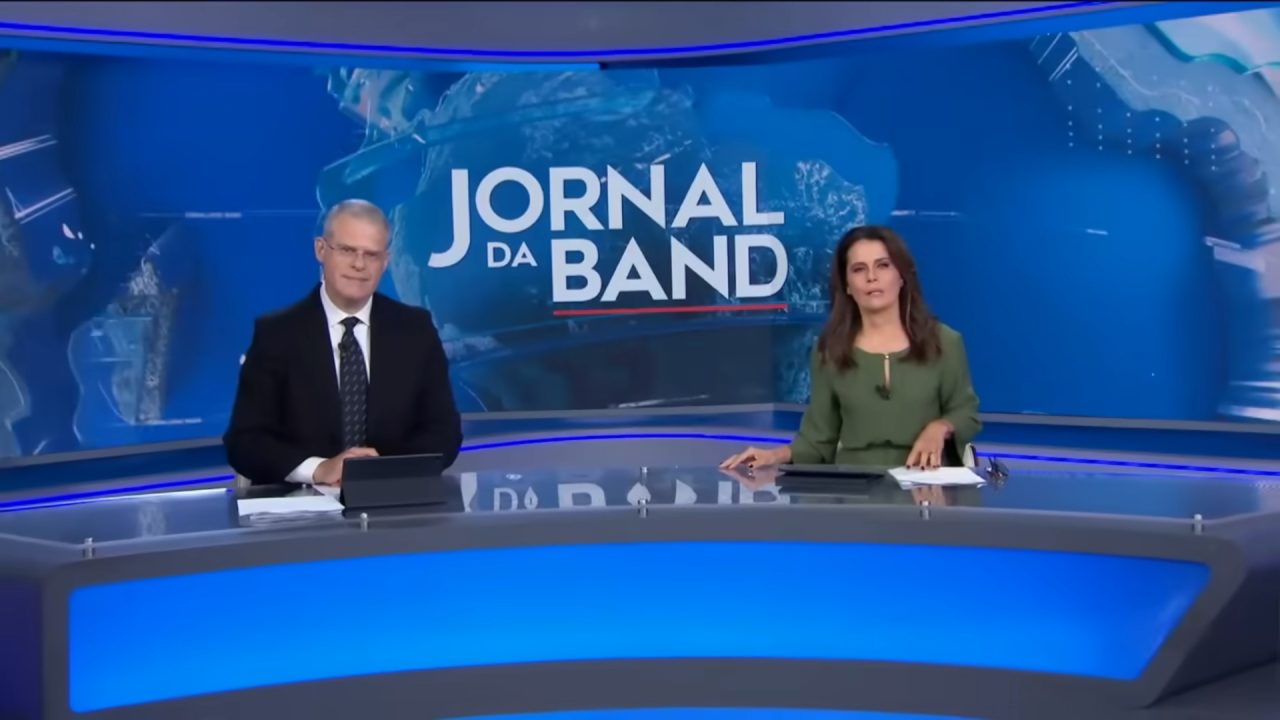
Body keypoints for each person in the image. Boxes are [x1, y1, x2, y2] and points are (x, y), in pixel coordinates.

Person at [223, 199, 462, 486]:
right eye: (348, 250)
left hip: (396, 503)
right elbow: (245, 441)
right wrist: (319, 469)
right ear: (321, 250)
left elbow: (444, 431)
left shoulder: (415, 330)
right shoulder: (277, 334)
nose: (359, 264)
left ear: (385, 262)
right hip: (301, 511)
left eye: (371, 255)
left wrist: (382, 471)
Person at [721, 225, 980, 471]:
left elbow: (966, 415)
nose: (871, 277)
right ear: (846, 284)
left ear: (901, 276)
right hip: (856, 491)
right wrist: (773, 456)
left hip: (929, 490)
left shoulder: (944, 342)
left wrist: (940, 427)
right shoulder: (830, 351)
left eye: (883, 266)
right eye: (858, 269)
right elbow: (818, 440)